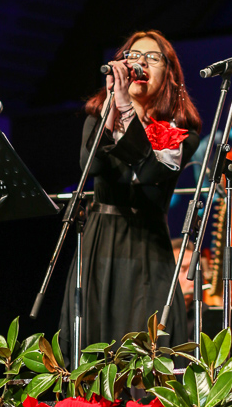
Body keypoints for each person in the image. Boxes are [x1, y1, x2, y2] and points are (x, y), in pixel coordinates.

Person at [59, 31, 201, 366]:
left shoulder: (178, 133)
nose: (139, 62)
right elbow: (92, 165)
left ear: (170, 74)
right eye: (133, 55)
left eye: (152, 57)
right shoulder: (98, 118)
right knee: (94, 345)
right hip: (100, 241)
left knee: (148, 350)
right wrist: (114, 110)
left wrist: (125, 110)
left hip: (147, 247)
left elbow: (150, 175)